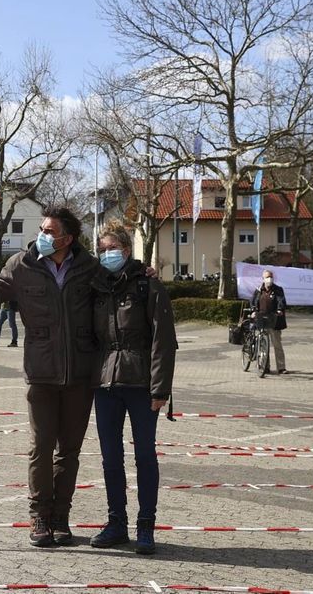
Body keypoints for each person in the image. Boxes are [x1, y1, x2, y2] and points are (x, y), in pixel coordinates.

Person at [0, 205, 100, 548]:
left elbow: (119, 292)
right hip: (40, 373)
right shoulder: (21, 265)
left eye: (50, 231)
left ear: (68, 238)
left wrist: (145, 276)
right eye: (41, 228)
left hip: (81, 375)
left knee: (68, 451)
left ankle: (60, 517)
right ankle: (40, 515)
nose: (42, 235)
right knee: (40, 447)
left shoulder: (90, 268)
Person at [87, 223, 177, 555]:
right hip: (105, 384)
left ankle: (146, 526)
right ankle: (116, 524)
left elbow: (163, 342)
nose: (104, 254)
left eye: (110, 248)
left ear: (126, 250)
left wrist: (160, 389)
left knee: (144, 457)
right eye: (101, 249)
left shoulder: (148, 286)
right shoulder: (95, 286)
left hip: (141, 385)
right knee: (111, 458)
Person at [249, 268, 288, 374]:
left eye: (271, 277)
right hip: (261, 319)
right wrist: (253, 310)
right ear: (263, 278)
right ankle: (265, 366)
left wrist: (280, 310)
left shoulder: (278, 289)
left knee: (277, 344)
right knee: (263, 344)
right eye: (267, 277)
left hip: (274, 319)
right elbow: (253, 302)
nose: (269, 279)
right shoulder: (258, 290)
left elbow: (281, 301)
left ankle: (281, 367)